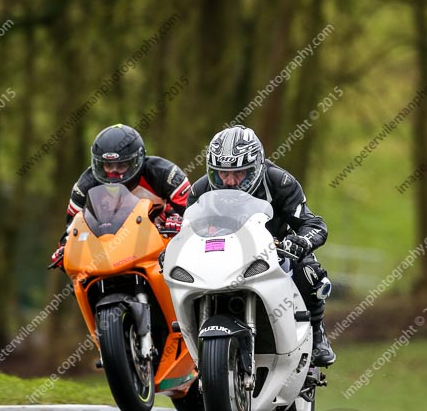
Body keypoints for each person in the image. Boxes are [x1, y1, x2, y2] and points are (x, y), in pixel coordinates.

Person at [187, 126, 336, 367]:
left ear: (255, 167)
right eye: (222, 173)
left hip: (274, 252)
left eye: (239, 173)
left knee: (309, 271)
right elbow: (186, 230)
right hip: (219, 255)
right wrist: (171, 249)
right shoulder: (200, 190)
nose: (229, 181)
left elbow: (313, 224)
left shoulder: (280, 182)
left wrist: (300, 242)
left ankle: (317, 332)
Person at [50, 124, 191, 268]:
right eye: (108, 165)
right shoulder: (85, 185)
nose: (114, 172)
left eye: (121, 165)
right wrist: (64, 248)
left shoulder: (165, 174)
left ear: (137, 161)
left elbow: (193, 212)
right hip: (108, 252)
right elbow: (72, 229)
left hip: (162, 248)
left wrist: (180, 220)